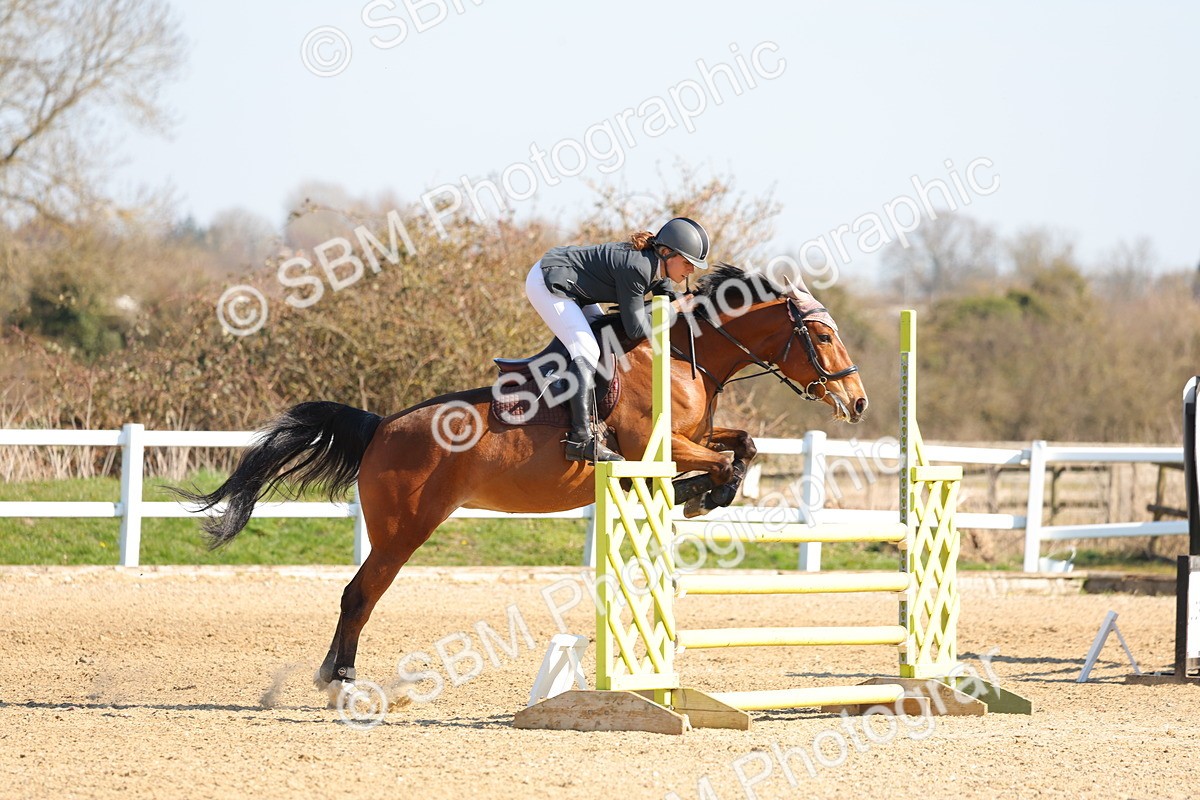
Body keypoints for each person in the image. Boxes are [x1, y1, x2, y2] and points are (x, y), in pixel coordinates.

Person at [525, 217, 711, 463]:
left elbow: (667, 302)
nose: (691, 270)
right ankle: (579, 440)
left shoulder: (658, 267)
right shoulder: (637, 267)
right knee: (587, 349)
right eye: (688, 263)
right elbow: (635, 327)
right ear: (667, 253)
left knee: (602, 338)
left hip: (577, 289)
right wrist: (675, 308)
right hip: (548, 281)